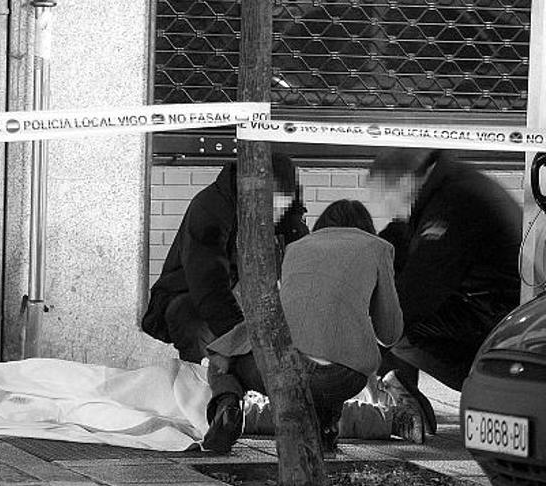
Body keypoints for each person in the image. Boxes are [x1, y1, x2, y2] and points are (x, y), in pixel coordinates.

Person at [201, 199, 406, 453]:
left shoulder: (295, 248)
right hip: (339, 377)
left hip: (277, 370)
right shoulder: (378, 248)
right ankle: (325, 428)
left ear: (322, 225)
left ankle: (229, 406)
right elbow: (390, 334)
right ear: (366, 228)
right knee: (330, 364)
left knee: (223, 362)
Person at [369, 148, 522, 431]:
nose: (390, 209)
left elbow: (418, 294)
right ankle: (399, 381)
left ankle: (486, 388)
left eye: (386, 196)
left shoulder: (451, 204)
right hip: (498, 307)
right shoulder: (451, 185)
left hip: (500, 322)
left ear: (404, 182)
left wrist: (361, 334)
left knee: (392, 325)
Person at [141, 154, 302, 364]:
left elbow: (299, 255)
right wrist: (241, 342)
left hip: (243, 299)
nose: (276, 217)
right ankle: (209, 388)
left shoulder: (281, 215)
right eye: (273, 209)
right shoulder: (210, 208)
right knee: (198, 329)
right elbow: (208, 284)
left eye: (283, 209)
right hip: (192, 297)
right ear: (252, 194)